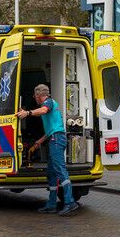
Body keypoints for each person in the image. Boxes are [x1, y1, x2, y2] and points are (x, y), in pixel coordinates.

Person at [16, 84, 78, 216]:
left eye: (35, 96)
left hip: (57, 139)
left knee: (60, 170)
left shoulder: (48, 102)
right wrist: (40, 141)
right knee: (51, 172)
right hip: (54, 138)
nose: (35, 99)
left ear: (38, 96)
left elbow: (43, 111)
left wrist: (27, 113)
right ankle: (51, 204)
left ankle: (69, 202)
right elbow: (53, 128)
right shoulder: (50, 104)